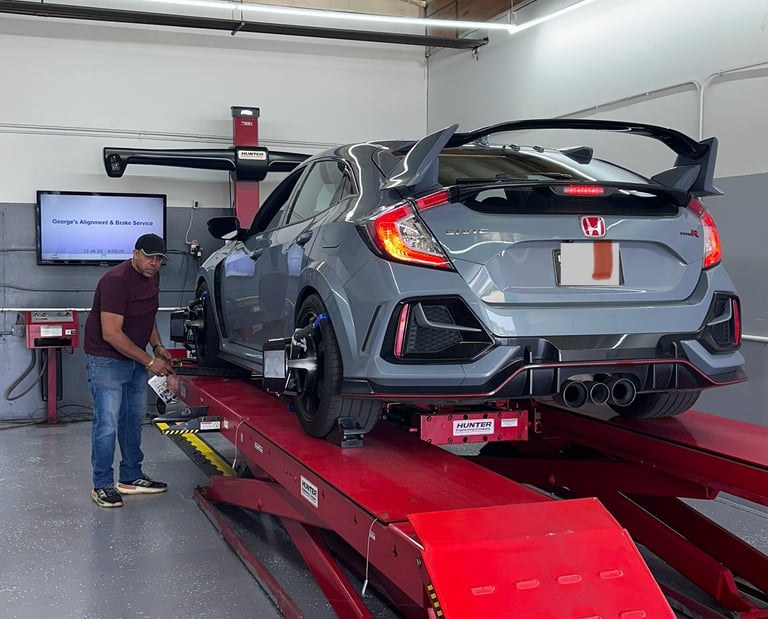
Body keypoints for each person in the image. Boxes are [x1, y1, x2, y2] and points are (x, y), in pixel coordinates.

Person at [84, 233, 175, 508]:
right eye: (149, 256)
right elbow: (111, 334)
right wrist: (150, 362)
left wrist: (157, 346)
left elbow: (146, 316)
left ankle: (131, 477)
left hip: (136, 358)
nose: (154, 263)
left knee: (133, 418)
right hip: (107, 359)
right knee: (107, 423)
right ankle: (101, 484)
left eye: (159, 259)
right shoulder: (115, 281)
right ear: (134, 253)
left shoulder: (152, 276)